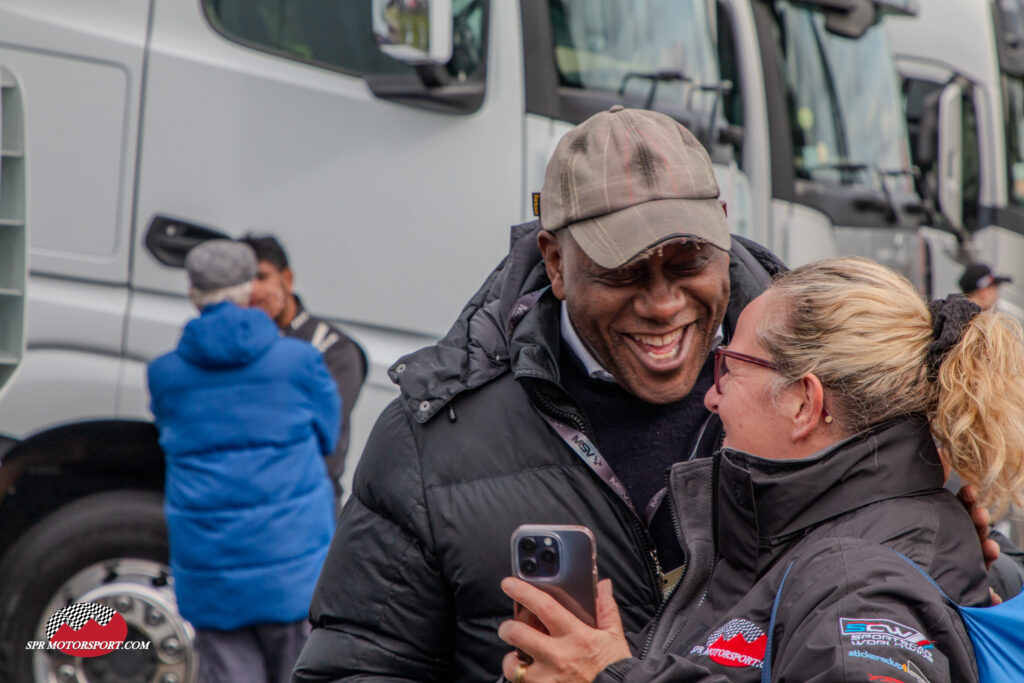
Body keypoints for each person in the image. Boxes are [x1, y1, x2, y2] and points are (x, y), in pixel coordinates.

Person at [293, 107, 787, 682]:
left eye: (689, 260)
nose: (662, 303)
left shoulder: (828, 401)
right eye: (624, 271)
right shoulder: (428, 440)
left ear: (723, 229)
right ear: (555, 261)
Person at [498, 257, 1024, 683]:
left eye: (729, 367)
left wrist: (608, 677)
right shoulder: (813, 538)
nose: (710, 396)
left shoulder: (862, 585)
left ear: (804, 402)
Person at [147, 239, 340, 683]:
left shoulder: (164, 374)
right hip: (293, 563)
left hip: (211, 567)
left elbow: (167, 435)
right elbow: (328, 438)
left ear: (192, 292)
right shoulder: (301, 361)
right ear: (250, 289)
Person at [240, 233, 368, 499]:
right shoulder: (233, 342)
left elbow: (312, 436)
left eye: (261, 277)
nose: (254, 290)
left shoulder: (334, 348)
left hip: (308, 507)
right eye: (244, 281)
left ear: (287, 279)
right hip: (246, 501)